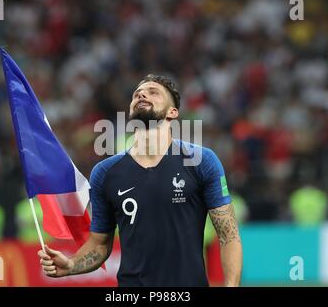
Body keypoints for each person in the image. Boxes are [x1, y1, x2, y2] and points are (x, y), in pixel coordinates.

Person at [38, 74, 243, 286]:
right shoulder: (105, 172)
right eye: (137, 94)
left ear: (173, 112)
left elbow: (228, 235)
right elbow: (100, 245)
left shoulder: (201, 161)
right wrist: (71, 265)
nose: (142, 94)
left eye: (153, 92)